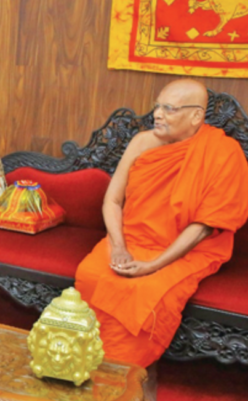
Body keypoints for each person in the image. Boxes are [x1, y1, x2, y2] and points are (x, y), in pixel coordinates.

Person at [75, 79, 248, 370]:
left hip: (187, 250)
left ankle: (128, 371)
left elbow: (204, 227)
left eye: (169, 109)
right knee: (92, 274)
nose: (157, 114)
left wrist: (153, 265)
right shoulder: (142, 142)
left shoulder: (223, 153)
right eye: (157, 106)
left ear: (195, 116)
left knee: (145, 291)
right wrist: (118, 246)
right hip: (130, 239)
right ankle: (82, 359)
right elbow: (112, 201)